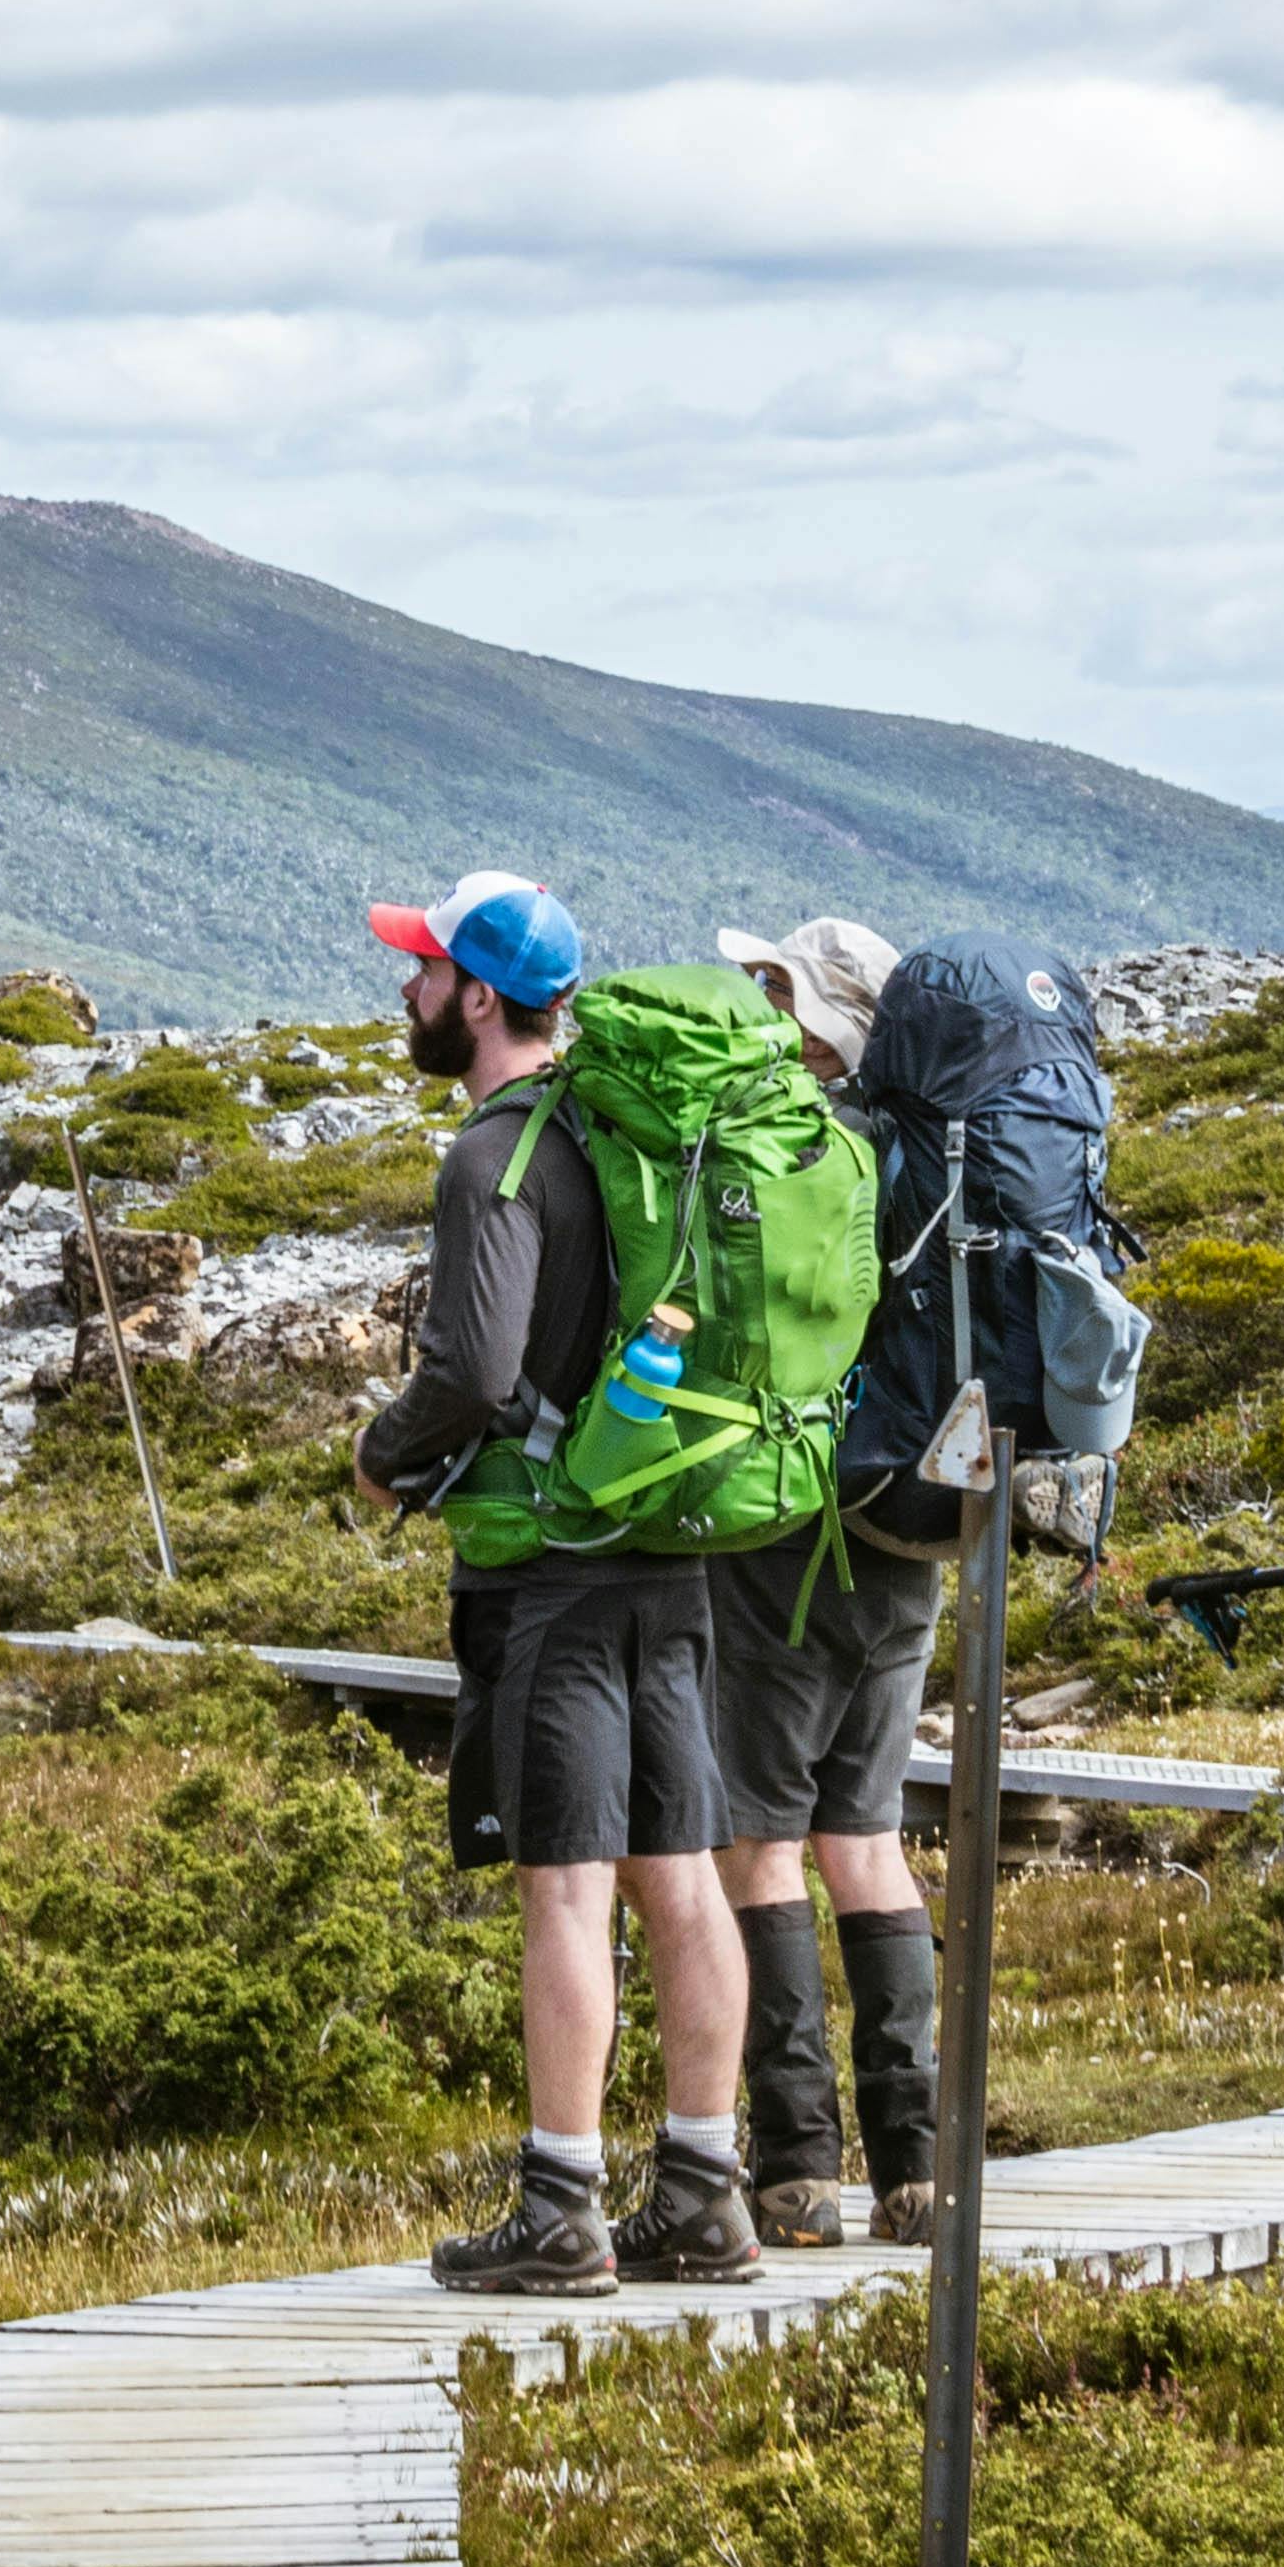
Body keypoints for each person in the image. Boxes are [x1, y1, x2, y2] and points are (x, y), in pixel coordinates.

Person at [348, 871, 758, 2293]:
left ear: (474, 994)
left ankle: (561, 2205)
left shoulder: (492, 1158)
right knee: (682, 1875)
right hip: (671, 1535)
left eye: (419, 972)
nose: (403, 992)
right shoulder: (624, 1135)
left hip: (549, 1568)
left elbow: (471, 1365)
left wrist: (381, 1452)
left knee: (564, 1889)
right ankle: (704, 2186)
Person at [693, 914, 950, 2251]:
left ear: (820, 1022)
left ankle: (794, 2164)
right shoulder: (931, 1154)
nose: (753, 998)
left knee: (762, 1840)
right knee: (867, 1841)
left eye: (772, 984)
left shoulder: (810, 1149)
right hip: (913, 1533)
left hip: (797, 1532)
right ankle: (914, 2165)